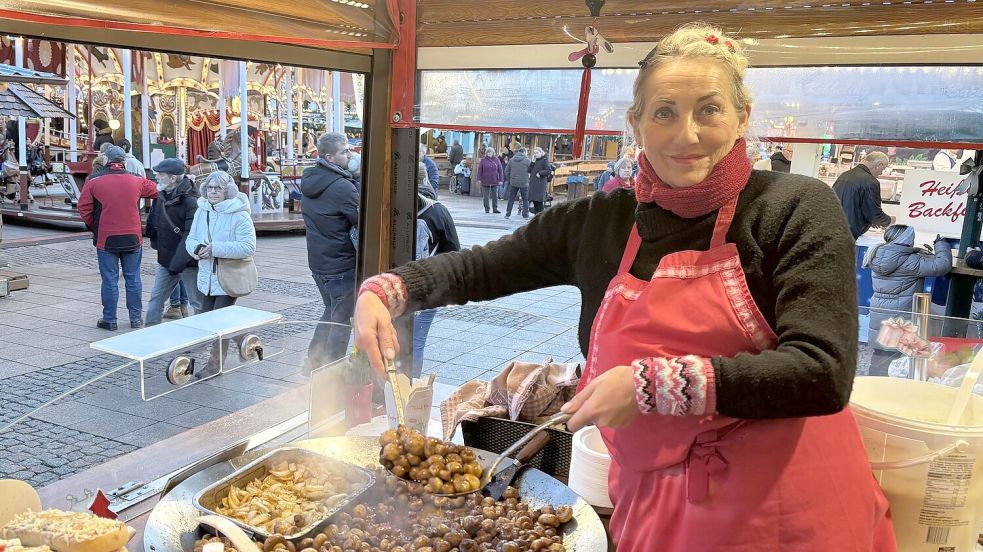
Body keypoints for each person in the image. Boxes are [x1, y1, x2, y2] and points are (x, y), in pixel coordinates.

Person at [352, 23, 894, 551]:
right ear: (637, 124)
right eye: (665, 113)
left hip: (786, 509)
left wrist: (647, 386)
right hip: (657, 503)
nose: (687, 134)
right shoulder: (601, 222)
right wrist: (389, 289)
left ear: (741, 117)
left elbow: (821, 371)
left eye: (709, 109)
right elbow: (481, 268)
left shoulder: (793, 207)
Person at [77, 146, 158, 330]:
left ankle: (110, 319)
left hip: (106, 237)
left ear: (106, 160)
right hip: (133, 236)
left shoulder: (94, 181)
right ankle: (136, 319)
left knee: (110, 279)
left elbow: (83, 208)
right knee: (133, 278)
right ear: (124, 162)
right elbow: (155, 191)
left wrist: (94, 225)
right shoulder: (137, 180)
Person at [301, 132, 360, 375]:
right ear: (329, 157)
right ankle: (331, 371)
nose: (350, 154)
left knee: (330, 311)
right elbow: (361, 218)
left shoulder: (310, 179)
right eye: (344, 151)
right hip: (341, 263)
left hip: (319, 261)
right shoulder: (341, 187)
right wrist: (357, 181)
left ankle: (312, 363)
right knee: (342, 319)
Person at [863, 225, 952, 377]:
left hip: (879, 311)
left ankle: (874, 384)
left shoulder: (878, 253)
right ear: (908, 240)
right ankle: (893, 389)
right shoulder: (910, 261)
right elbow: (941, 266)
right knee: (897, 358)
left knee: (880, 354)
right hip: (900, 316)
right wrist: (941, 245)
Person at [411, 162, 461, 378]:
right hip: (428, 287)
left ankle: (387, 391)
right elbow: (453, 251)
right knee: (417, 341)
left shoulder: (388, 205)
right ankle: (409, 390)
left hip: (390, 284)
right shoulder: (438, 211)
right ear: (425, 180)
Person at [185, 170, 256, 313]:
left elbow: (248, 246)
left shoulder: (240, 214)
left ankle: (241, 335)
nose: (213, 191)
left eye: (218, 188)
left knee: (219, 321)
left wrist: (215, 248)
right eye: (210, 187)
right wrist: (197, 249)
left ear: (228, 191)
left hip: (229, 277)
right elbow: (191, 238)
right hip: (206, 278)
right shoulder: (202, 211)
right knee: (208, 321)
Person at [144, 158, 202, 326]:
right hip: (166, 258)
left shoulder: (191, 200)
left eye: (161, 175)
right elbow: (154, 221)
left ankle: (203, 336)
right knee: (156, 298)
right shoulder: (161, 195)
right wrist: (155, 240)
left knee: (196, 302)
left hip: (188, 261)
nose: (157, 178)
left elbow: (191, 234)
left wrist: (178, 262)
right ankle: (149, 333)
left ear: (173, 178)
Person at [832, 151, 894, 239]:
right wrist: (890, 221)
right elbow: (875, 215)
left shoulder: (844, 175)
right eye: (883, 169)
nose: (881, 173)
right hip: (850, 234)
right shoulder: (871, 182)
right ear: (879, 165)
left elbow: (850, 204)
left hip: (835, 228)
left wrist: (869, 220)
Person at [504, 147, 531, 219]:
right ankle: (526, 215)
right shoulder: (527, 161)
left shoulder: (512, 160)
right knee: (525, 199)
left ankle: (508, 214)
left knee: (511, 198)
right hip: (524, 182)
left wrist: (510, 179)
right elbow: (531, 170)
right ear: (524, 152)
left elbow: (506, 171)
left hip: (513, 182)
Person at [476, 147, 503, 214]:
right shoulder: (483, 160)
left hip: (495, 180)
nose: (489, 153)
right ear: (486, 153)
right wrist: (479, 178)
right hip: (485, 180)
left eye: (490, 152)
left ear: (493, 153)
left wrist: (500, 180)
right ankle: (487, 209)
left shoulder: (497, 160)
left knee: (495, 195)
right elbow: (480, 170)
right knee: (485, 196)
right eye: (488, 152)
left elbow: (500, 170)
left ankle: (495, 208)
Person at [527, 147, 552, 214]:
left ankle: (540, 219)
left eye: (537, 153)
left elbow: (549, 170)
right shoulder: (534, 161)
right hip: (533, 184)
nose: (535, 154)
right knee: (535, 202)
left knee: (539, 203)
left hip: (540, 185)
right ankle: (536, 218)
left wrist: (540, 173)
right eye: (534, 153)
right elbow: (529, 170)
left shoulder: (544, 160)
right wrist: (532, 162)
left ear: (541, 153)